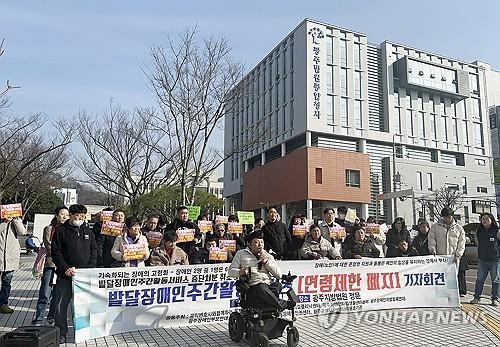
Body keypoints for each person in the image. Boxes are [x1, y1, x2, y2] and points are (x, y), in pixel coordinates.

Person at [51, 204, 97, 344]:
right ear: (70, 215)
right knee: (61, 306)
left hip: (83, 277)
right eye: (77, 215)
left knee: (83, 306)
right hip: (65, 276)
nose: (80, 218)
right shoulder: (61, 231)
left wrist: (89, 269)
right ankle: (61, 333)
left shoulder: (88, 231)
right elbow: (56, 252)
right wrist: (65, 268)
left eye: (82, 216)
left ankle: (83, 333)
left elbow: (94, 250)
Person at [227, 230, 295, 311]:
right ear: (249, 244)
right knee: (261, 287)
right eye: (256, 242)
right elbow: (230, 271)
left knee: (277, 285)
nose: (260, 245)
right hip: (252, 287)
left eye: (262, 242)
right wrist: (240, 272)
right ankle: (282, 304)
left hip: (267, 286)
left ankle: (274, 303)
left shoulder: (268, 255)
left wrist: (266, 262)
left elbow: (278, 275)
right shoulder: (241, 254)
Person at [32, 206, 69, 325]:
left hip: (63, 267)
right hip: (51, 265)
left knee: (58, 294)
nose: (64, 217)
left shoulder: (68, 230)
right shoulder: (49, 229)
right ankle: (38, 319)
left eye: (66, 215)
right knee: (45, 293)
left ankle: (51, 316)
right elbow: (49, 247)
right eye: (62, 214)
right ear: (56, 215)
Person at [428, 207, 466, 295]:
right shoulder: (435, 227)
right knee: (441, 276)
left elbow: (462, 242)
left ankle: (453, 295)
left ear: (452, 216)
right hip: (440, 256)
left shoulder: (458, 228)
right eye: (444, 217)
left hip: (453, 256)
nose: (446, 219)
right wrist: (432, 249)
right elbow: (432, 239)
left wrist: (458, 254)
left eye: (448, 217)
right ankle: (441, 295)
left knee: (453, 276)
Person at [470, 212, 499, 306]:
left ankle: (495, 299)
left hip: (495, 259)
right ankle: (476, 297)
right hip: (482, 259)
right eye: (483, 219)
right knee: (480, 279)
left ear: (491, 220)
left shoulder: (497, 231)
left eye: (487, 218)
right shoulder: (479, 231)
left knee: (495, 279)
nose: (484, 221)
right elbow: (477, 242)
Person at [0, 215, 27, 314]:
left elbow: (22, 232)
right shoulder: (3, 221)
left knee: (7, 283)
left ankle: (3, 304)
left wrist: (16, 219)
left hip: (11, 257)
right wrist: (5, 222)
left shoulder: (15, 221)